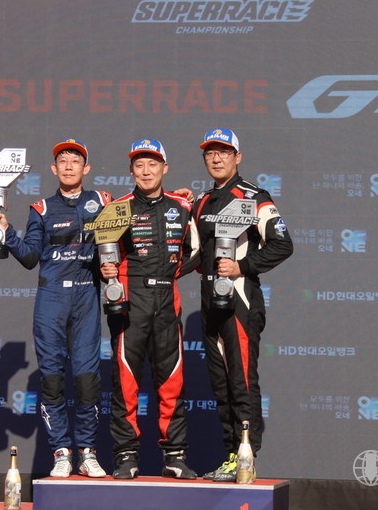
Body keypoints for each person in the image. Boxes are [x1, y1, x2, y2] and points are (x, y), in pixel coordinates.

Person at [0, 138, 110, 478]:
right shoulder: (40, 208)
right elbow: (30, 258)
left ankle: (87, 452)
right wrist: (6, 232)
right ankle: (61, 452)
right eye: (63, 161)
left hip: (86, 298)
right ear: (54, 169)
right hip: (51, 300)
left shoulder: (103, 202)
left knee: (87, 380)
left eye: (76, 160)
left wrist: (183, 197)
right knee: (53, 379)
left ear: (86, 168)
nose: (69, 166)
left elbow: (137, 211)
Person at [189, 128, 293, 482]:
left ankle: (247, 456)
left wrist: (242, 266)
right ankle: (231, 456)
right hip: (209, 303)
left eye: (224, 152)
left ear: (238, 157)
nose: (216, 158)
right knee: (221, 386)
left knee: (242, 381)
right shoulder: (202, 201)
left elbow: (282, 244)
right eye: (210, 153)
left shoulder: (254, 197)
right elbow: (192, 253)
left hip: (240, 302)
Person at [100, 138, 197, 480]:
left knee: (172, 380)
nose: (146, 171)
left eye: (152, 164)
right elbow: (103, 253)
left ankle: (175, 456)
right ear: (131, 170)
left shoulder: (182, 206)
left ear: (164, 168)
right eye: (139, 165)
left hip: (167, 298)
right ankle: (126, 456)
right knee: (126, 380)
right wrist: (107, 269)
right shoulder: (117, 208)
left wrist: (171, 272)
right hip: (131, 298)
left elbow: (196, 251)